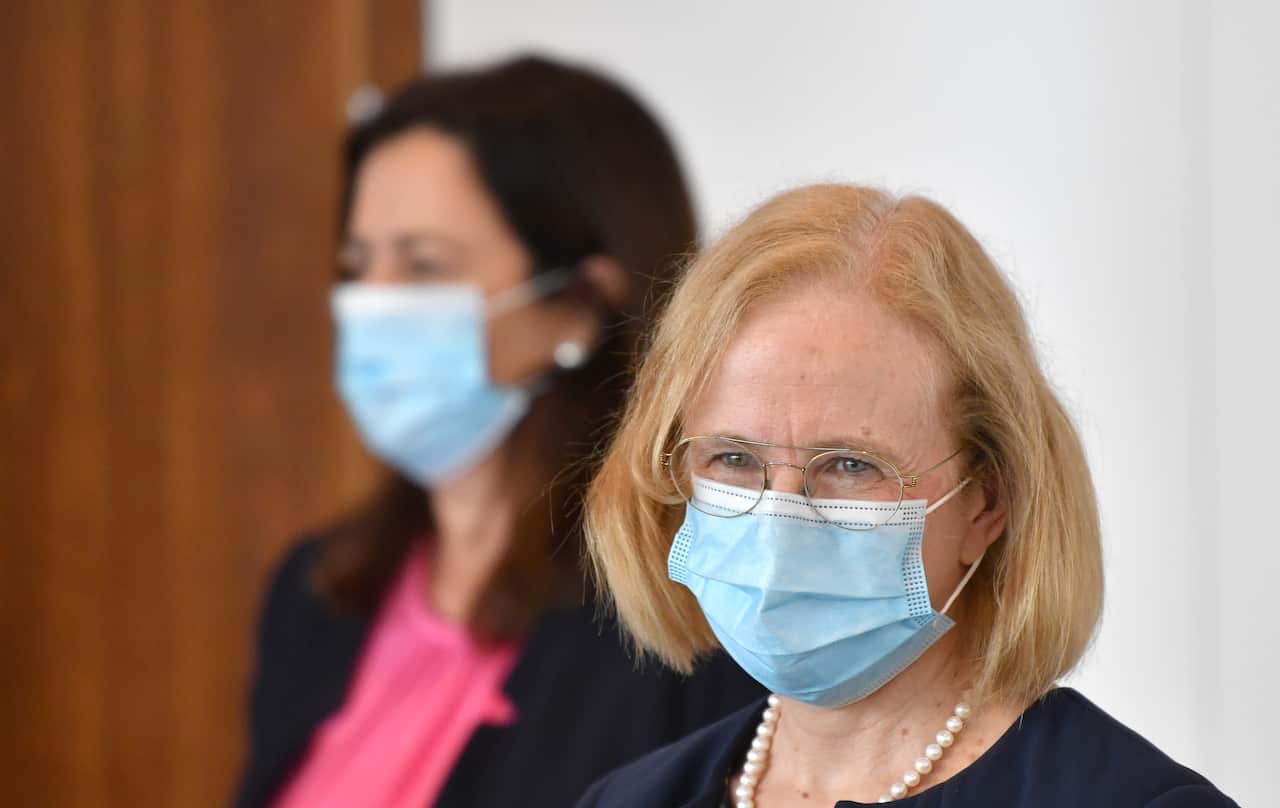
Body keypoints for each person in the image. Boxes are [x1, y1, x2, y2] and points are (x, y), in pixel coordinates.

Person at [577, 184, 1237, 807]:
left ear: (988, 501)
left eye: (849, 464)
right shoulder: (630, 799)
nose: (776, 527)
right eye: (734, 458)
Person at [234, 56, 763, 808]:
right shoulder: (317, 591)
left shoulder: (685, 627)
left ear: (579, 304)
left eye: (422, 266)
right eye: (357, 264)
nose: (371, 306)